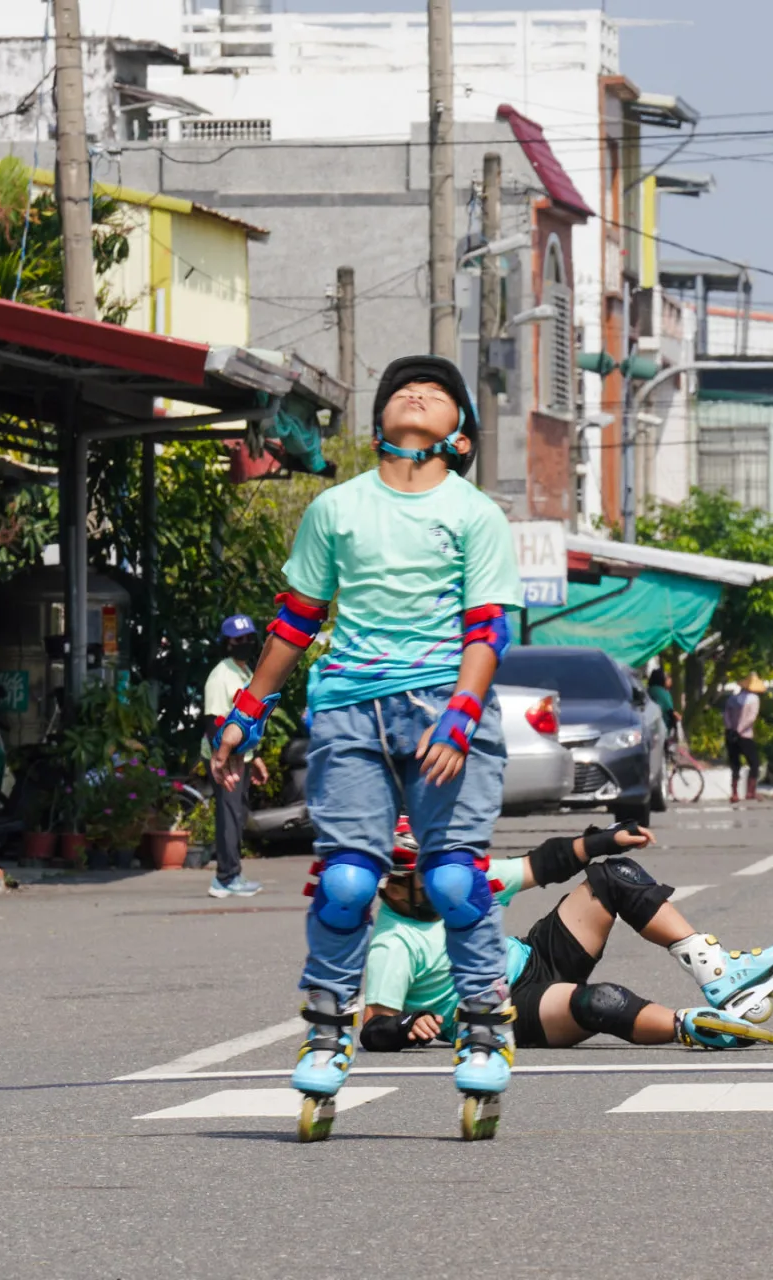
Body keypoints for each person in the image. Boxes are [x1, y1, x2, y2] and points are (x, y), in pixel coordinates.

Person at [208, 354, 520, 1143]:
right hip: (348, 710)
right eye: (401, 391)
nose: (417, 393)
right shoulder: (337, 509)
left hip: (446, 712)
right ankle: (326, 1028)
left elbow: (488, 626)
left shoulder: (475, 513)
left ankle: (484, 1026)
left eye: (439, 392)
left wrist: (461, 713)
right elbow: (298, 618)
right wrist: (247, 710)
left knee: (451, 878)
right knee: (347, 880)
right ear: (378, 422)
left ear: (460, 434)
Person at [360, 821, 773, 1054]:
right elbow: (374, 1026)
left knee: (614, 876)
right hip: (506, 1011)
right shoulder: (393, 943)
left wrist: (605, 839)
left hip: (534, 955)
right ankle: (692, 1026)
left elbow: (543, 864)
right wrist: (403, 1027)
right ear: (395, 883)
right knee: (601, 1002)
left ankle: (719, 974)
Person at [197, 615, 268, 896]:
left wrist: (257, 756)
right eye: (239, 640)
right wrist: (221, 759)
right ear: (227, 644)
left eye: (249, 638)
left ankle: (231, 874)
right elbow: (214, 721)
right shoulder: (221, 676)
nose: (246, 643)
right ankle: (225, 878)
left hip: (242, 757)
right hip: (225, 759)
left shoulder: (246, 673)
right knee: (229, 815)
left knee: (237, 815)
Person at [723, 675, 764, 803]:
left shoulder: (732, 698)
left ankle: (734, 793)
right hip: (745, 735)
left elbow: (726, 715)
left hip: (730, 735)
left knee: (735, 764)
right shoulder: (754, 699)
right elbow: (751, 718)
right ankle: (750, 792)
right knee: (754, 763)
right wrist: (739, 730)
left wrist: (731, 729)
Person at [647, 667, 678, 748]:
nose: (670, 680)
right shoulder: (662, 693)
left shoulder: (648, 690)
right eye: (667, 677)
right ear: (662, 679)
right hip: (662, 729)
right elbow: (670, 711)